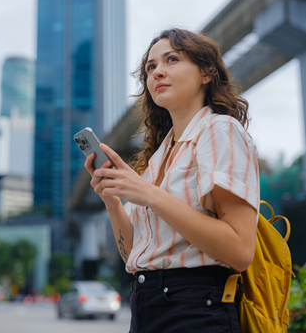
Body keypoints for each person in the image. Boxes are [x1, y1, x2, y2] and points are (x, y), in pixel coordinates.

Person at [84, 28, 260, 333]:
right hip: (146, 304)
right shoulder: (159, 157)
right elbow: (134, 256)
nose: (157, 72)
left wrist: (148, 195)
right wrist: (112, 200)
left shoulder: (219, 131)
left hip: (195, 309)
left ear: (206, 73)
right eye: (151, 67)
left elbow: (240, 251)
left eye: (172, 60)